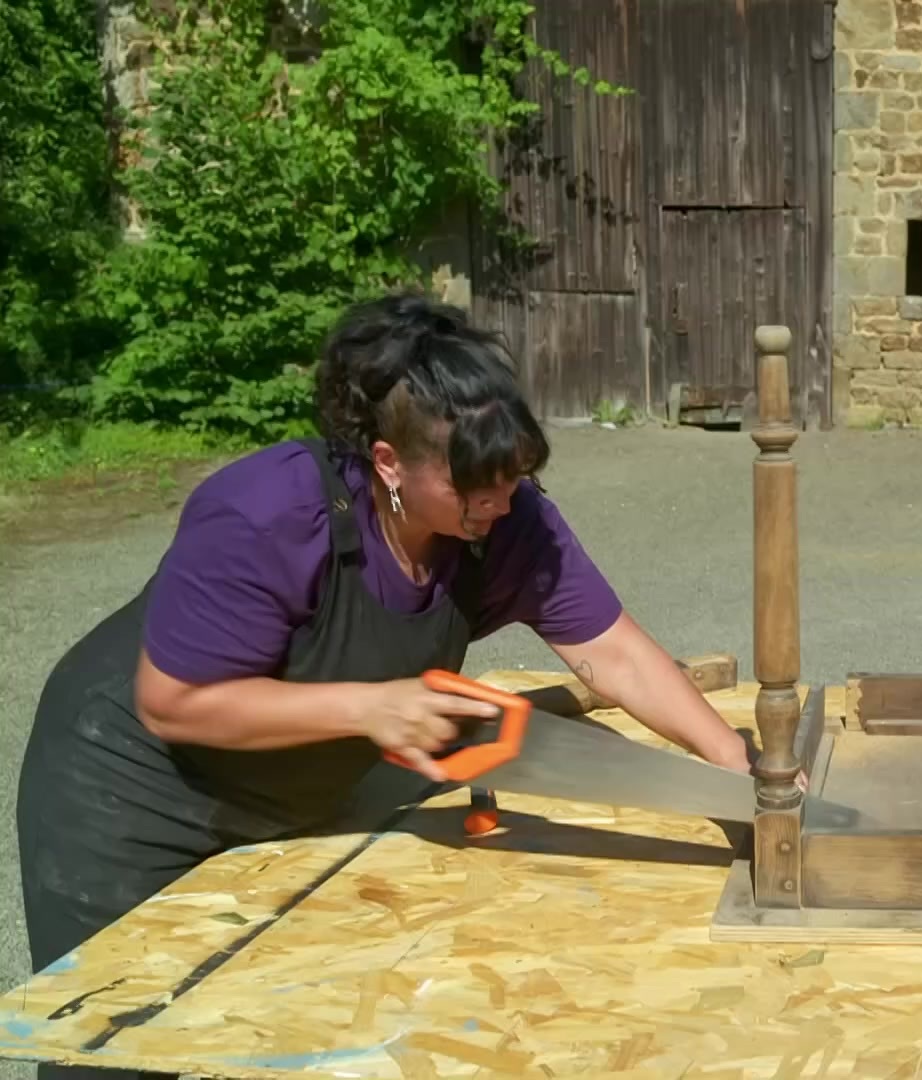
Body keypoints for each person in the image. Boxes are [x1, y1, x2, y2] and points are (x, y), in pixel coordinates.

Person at [16, 293, 757, 1064]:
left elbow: (616, 653)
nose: (499, 500)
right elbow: (174, 703)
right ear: (388, 462)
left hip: (294, 793)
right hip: (128, 793)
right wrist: (370, 708)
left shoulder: (506, 520)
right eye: (472, 482)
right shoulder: (267, 515)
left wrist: (731, 767)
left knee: (278, 1041)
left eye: (513, 474)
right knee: (116, 1050)